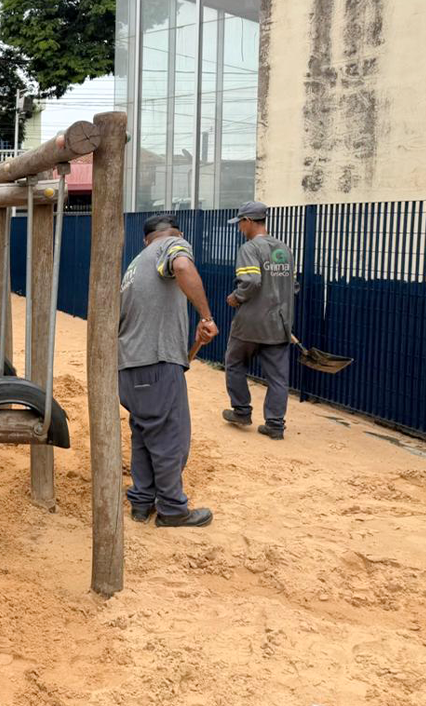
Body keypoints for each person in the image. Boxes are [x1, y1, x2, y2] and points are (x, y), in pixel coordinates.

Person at [119, 213, 218, 528]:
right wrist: (205, 317)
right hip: (156, 364)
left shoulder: (135, 265)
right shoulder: (173, 245)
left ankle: (141, 502)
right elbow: (183, 266)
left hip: (130, 368)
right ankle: (173, 510)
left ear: (145, 238)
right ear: (174, 233)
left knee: (144, 434)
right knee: (169, 438)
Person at [222, 201, 296, 440]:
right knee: (278, 377)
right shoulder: (283, 249)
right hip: (279, 324)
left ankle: (242, 411)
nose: (239, 228)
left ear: (249, 222)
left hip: (251, 323)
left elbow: (251, 281)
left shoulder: (249, 249)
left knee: (234, 364)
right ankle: (275, 424)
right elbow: (292, 286)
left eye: (240, 223)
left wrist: (236, 297)